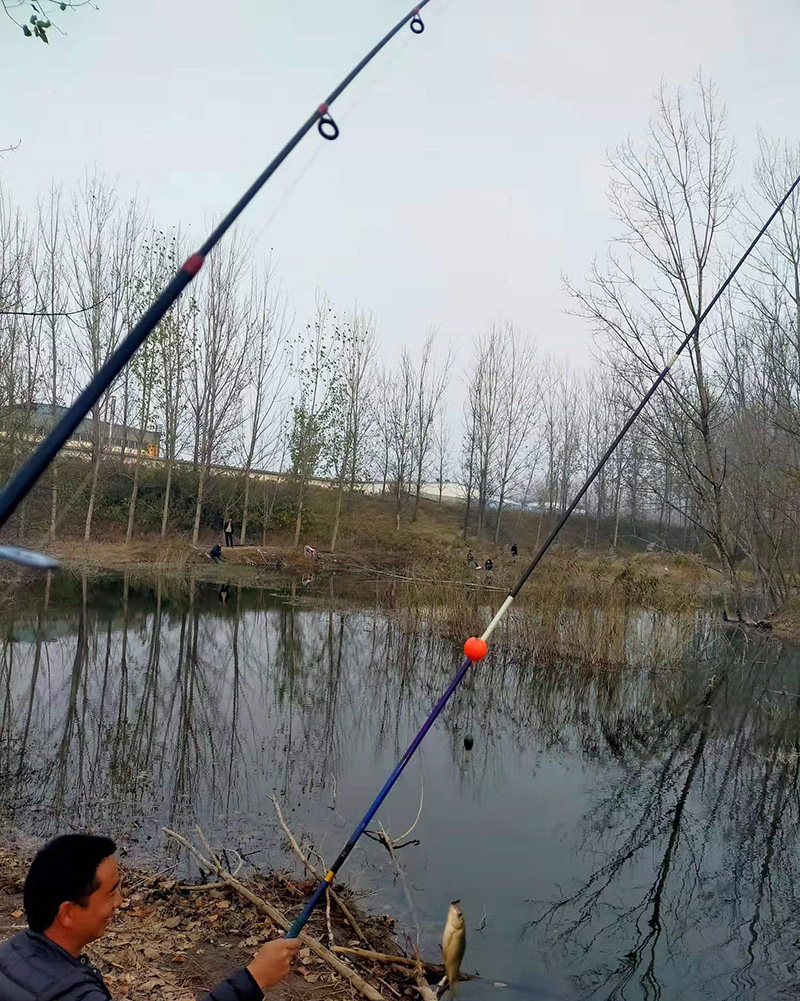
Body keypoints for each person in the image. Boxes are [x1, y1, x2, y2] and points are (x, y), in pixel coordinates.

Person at [0, 834, 300, 1001]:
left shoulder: (12, 954)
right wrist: (254, 979)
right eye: (111, 893)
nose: (120, 902)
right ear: (67, 912)